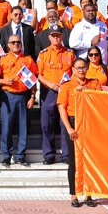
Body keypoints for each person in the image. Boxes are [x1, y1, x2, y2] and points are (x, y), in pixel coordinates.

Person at [58, 58, 98, 208]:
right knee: (74, 161)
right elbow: (62, 108)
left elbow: (101, 101)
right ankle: (74, 194)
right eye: (78, 68)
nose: (81, 70)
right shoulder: (67, 86)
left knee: (89, 160)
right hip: (73, 122)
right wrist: (69, 128)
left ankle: (88, 194)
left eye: (84, 67)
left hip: (89, 123)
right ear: (73, 70)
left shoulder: (94, 84)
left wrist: (88, 93)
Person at [0, 33, 37, 166]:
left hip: (24, 96)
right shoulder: (2, 60)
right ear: (8, 45)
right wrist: (3, 81)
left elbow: (33, 81)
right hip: (8, 96)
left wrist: (32, 97)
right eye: (13, 42)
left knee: (23, 127)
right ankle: (6, 155)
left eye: (18, 42)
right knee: (6, 127)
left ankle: (20, 155)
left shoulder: (28, 60)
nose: (16, 44)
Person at [36, 25, 74, 165]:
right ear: (49, 37)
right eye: (54, 36)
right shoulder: (43, 54)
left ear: (62, 37)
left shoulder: (70, 53)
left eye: (58, 35)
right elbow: (38, 74)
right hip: (49, 92)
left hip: (65, 92)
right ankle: (48, 154)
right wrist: (50, 84)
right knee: (47, 124)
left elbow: (74, 72)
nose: (56, 38)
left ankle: (66, 155)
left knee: (65, 123)